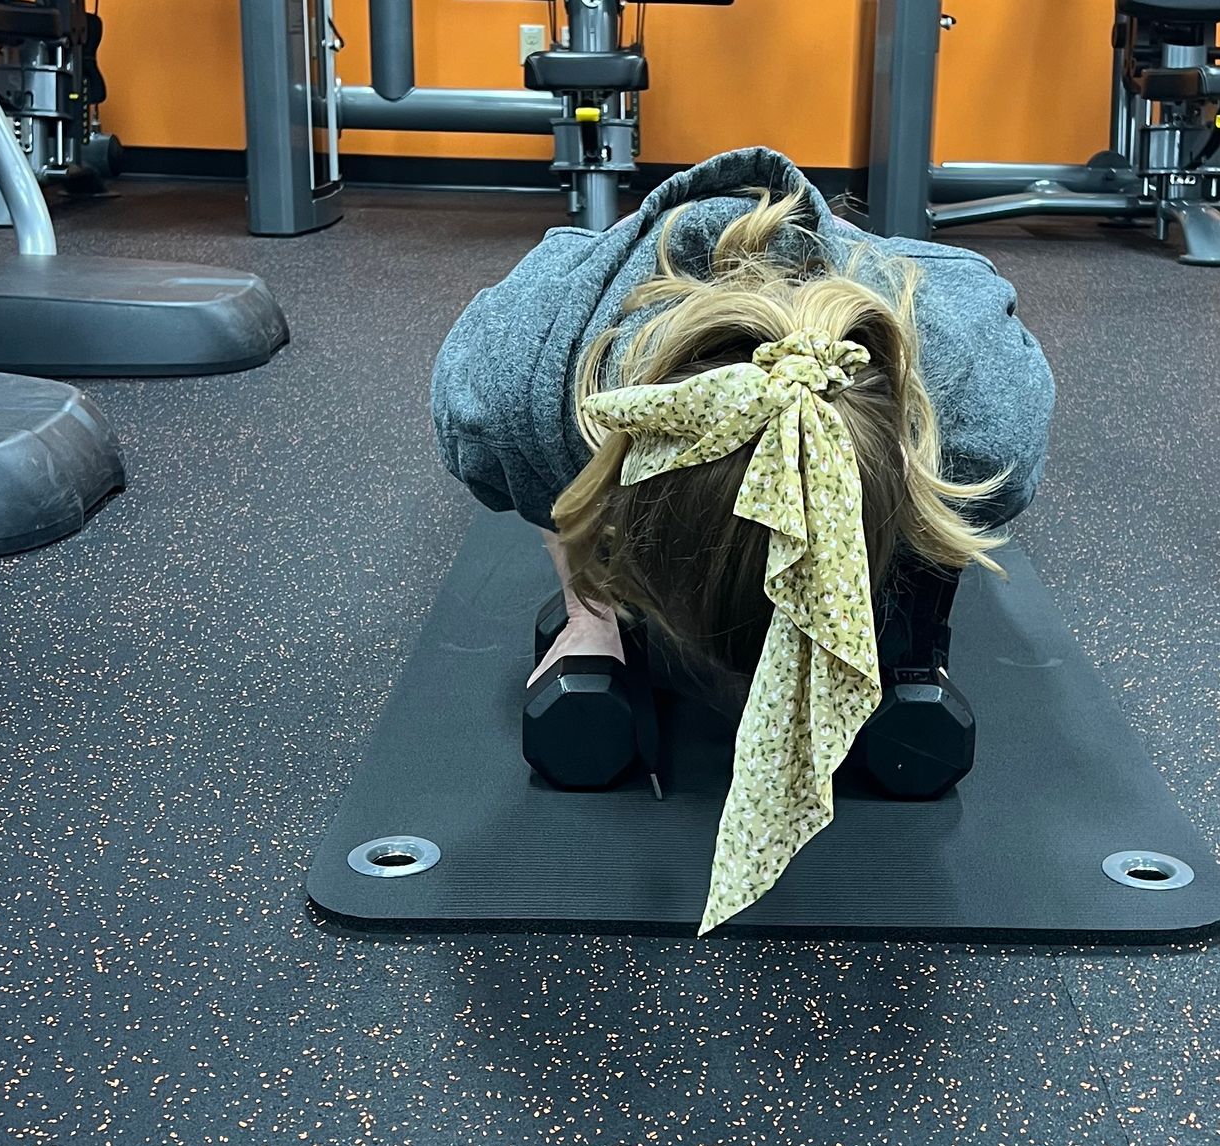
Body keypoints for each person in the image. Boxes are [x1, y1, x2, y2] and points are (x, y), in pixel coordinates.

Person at [431, 148, 1054, 929]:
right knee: (553, 463)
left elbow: (970, 289)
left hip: (888, 296)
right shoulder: (517, 388)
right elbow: (563, 497)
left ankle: (903, 631)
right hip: (601, 297)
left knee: (945, 499)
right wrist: (591, 610)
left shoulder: (977, 417)